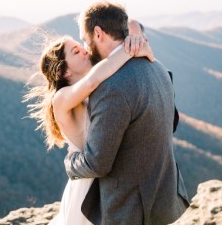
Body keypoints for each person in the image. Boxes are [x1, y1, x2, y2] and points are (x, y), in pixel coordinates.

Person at [64, 1, 189, 224]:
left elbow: (97, 164)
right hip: (165, 199)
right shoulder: (158, 66)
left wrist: (70, 162)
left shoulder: (111, 87)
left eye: (84, 39)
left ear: (98, 33)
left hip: (131, 212)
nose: (85, 47)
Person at [27, 24, 152, 224]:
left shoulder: (98, 83)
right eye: (76, 51)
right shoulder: (61, 98)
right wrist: (133, 50)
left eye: (80, 45)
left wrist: (136, 39)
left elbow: (123, 31)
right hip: (88, 189)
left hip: (114, 182)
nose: (85, 49)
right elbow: (95, 78)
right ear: (63, 72)